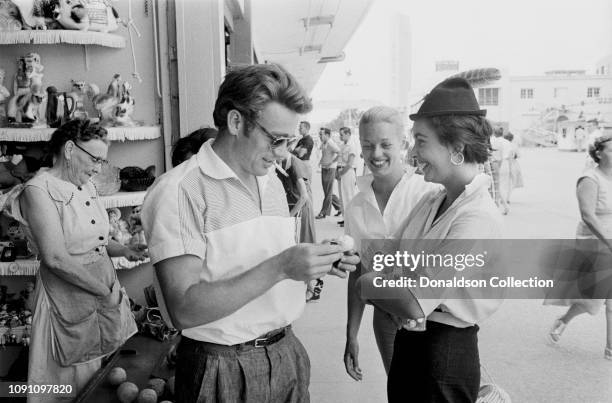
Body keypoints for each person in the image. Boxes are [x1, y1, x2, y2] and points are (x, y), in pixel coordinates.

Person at [141, 64, 359, 402]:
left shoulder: (272, 180)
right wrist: (283, 266)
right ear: (236, 122)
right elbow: (183, 308)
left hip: (287, 351)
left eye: (290, 141)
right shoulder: (179, 191)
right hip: (221, 365)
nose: (284, 152)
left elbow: (262, 261)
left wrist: (315, 262)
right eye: (276, 140)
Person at [357, 77, 504, 402]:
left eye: (421, 141)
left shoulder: (476, 218)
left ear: (456, 148)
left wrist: (364, 285)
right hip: (412, 341)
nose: (414, 152)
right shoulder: (433, 201)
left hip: (445, 352)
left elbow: (411, 299)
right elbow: (388, 261)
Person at [1, 119, 143, 402]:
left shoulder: (86, 185)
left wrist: (124, 251)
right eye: (95, 159)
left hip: (97, 290)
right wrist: (104, 292)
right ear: (68, 149)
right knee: (62, 384)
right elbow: (55, 258)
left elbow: (95, 240)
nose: (98, 168)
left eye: (102, 161)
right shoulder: (38, 190)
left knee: (93, 378)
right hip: (64, 297)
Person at [343, 106, 437, 379]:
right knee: (399, 392)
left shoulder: (428, 193)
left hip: (432, 317)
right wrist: (351, 335)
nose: (376, 154)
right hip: (385, 319)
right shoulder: (356, 207)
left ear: (404, 144)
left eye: (386, 144)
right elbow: (358, 274)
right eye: (368, 145)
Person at [544, 134, 612, 361]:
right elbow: (588, 215)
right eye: (611, 150)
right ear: (599, 153)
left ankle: (610, 348)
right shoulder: (589, 179)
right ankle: (564, 320)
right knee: (593, 300)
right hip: (594, 242)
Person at [316, 127, 342, 219]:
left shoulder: (331, 143)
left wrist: (331, 162)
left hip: (330, 169)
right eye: (319, 134)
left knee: (328, 191)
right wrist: (321, 162)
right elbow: (324, 154)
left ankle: (323, 212)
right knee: (328, 191)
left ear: (327, 135)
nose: (319, 136)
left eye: (321, 134)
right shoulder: (324, 143)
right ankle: (340, 208)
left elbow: (340, 153)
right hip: (324, 168)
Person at [336, 127, 359, 227]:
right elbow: (339, 160)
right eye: (340, 134)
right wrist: (338, 173)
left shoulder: (351, 146)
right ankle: (345, 218)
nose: (340, 136)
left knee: (349, 196)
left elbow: (350, 163)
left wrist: (341, 173)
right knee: (342, 197)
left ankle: (351, 221)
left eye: (342, 134)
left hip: (347, 172)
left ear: (348, 134)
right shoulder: (342, 145)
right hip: (341, 171)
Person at [490, 127, 512, 214]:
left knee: (497, 186)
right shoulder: (507, 142)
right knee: (504, 185)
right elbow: (510, 154)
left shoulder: (493, 141)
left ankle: (502, 206)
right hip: (506, 163)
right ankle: (505, 203)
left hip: (497, 163)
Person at [503, 131, 523, 202]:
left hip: (503, 163)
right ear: (512, 139)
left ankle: (502, 197)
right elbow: (518, 155)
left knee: (503, 182)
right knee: (511, 182)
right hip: (513, 164)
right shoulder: (514, 146)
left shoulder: (503, 144)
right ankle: (507, 198)